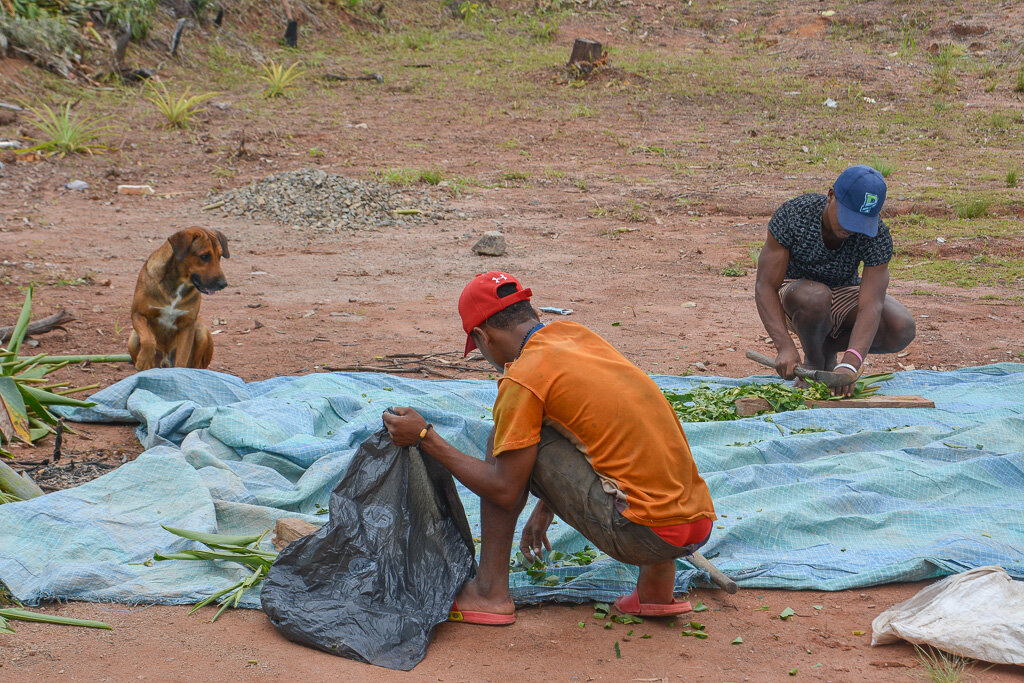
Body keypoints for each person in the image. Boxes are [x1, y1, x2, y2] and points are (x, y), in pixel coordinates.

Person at [382, 272, 716, 625]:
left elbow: (503, 487)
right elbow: (597, 433)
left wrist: (425, 436)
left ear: (481, 336)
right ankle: (657, 590)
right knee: (608, 442)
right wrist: (547, 504)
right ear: (533, 312)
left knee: (504, 438)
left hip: (645, 534)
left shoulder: (523, 377)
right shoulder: (578, 336)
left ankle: (489, 592)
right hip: (696, 524)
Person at [754, 165, 915, 395]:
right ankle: (814, 360)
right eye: (848, 216)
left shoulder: (876, 235)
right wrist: (784, 346)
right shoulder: (795, 215)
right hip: (795, 296)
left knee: (901, 327)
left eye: (861, 222)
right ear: (831, 196)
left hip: (843, 292)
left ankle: (825, 352)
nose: (851, 228)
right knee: (815, 296)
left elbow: (871, 304)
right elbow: (765, 286)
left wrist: (851, 363)